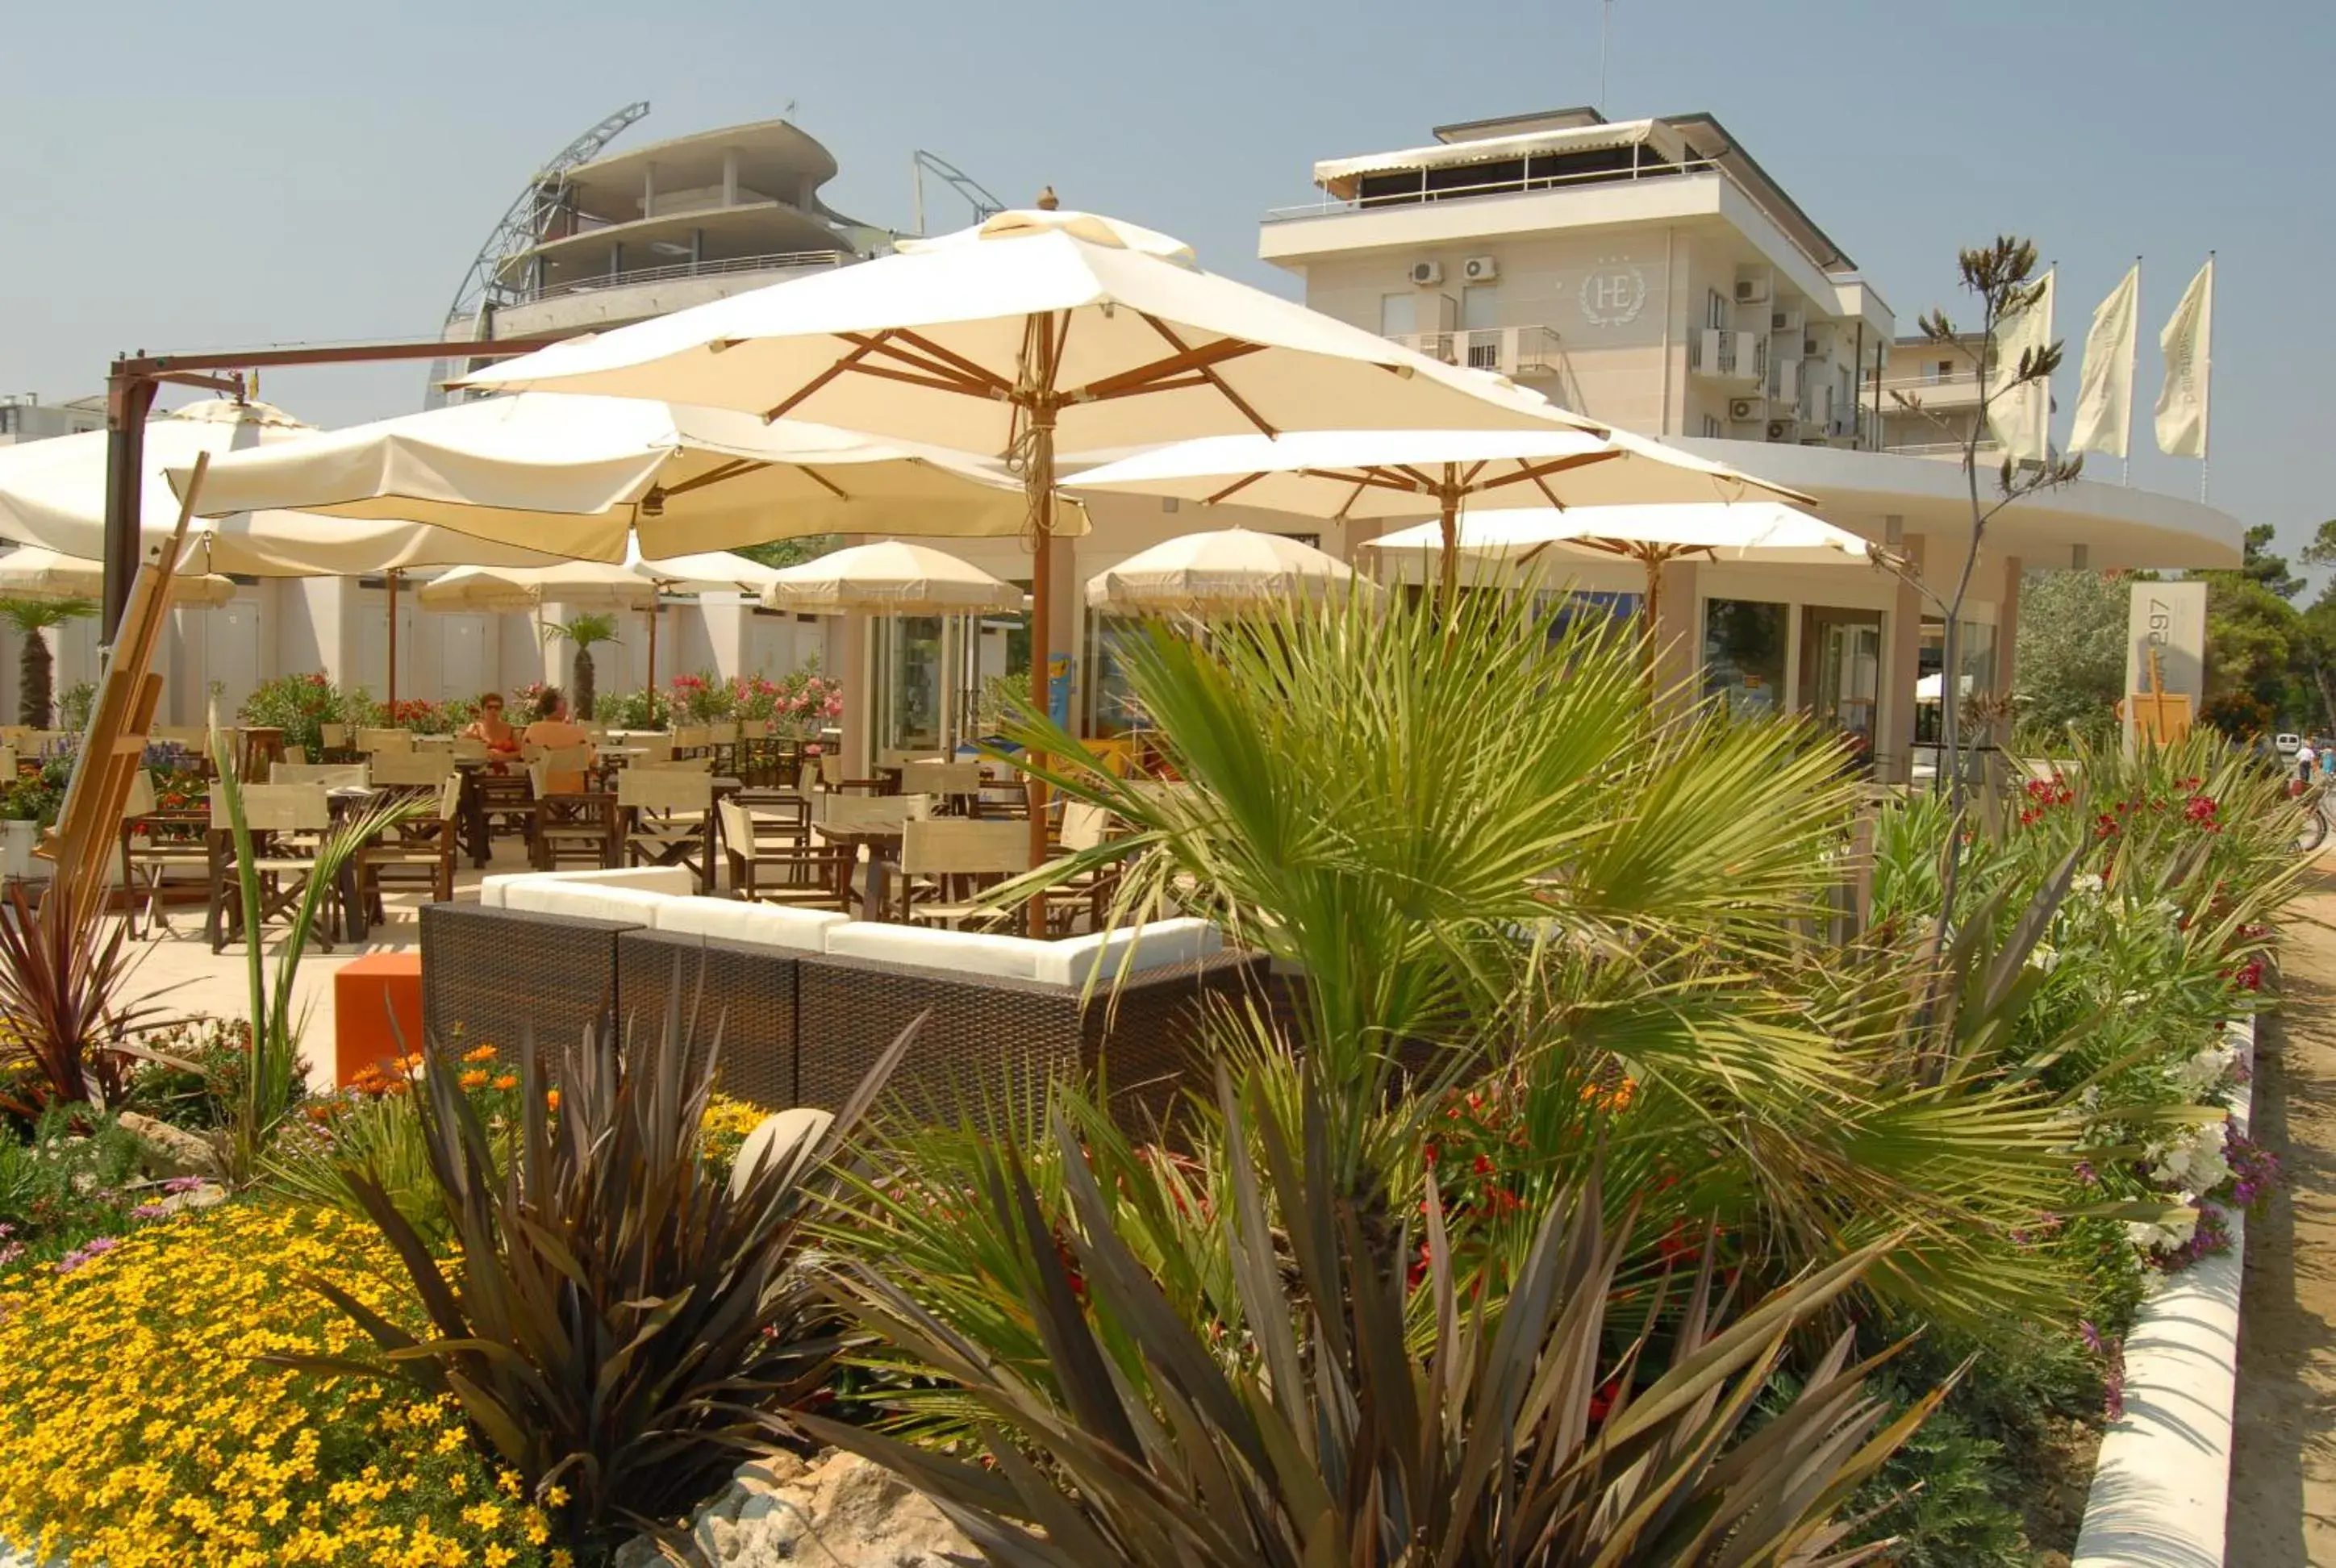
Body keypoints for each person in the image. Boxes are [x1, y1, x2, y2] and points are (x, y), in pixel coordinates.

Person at [521, 687, 594, 793]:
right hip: (575, 790)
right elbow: (591, 761)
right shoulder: (578, 732)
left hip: (541, 790)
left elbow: (525, 757)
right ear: (561, 707)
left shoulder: (532, 730)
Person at [461, 692, 523, 761]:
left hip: (507, 769)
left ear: (501, 710)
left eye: (497, 708)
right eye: (489, 707)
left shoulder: (509, 728)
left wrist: (506, 756)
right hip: (480, 769)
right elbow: (463, 751)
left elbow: (522, 752)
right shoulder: (475, 728)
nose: (493, 710)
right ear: (483, 709)